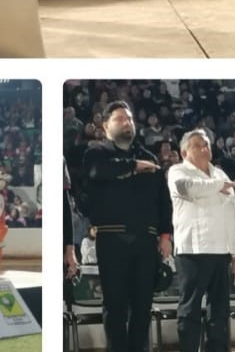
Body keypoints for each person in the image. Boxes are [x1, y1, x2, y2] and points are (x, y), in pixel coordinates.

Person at [81, 101, 173, 352]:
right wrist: (133, 168)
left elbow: (162, 200)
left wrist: (165, 235)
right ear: (105, 125)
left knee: (143, 304)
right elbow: (97, 173)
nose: (127, 122)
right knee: (115, 304)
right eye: (120, 118)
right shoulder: (96, 152)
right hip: (112, 238)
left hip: (146, 239)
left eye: (130, 119)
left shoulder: (149, 156)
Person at [168, 129, 235, 352]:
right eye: (198, 145)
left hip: (222, 251)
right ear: (184, 151)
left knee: (220, 312)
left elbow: (233, 215)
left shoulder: (220, 174)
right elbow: (188, 189)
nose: (204, 148)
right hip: (192, 250)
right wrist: (217, 187)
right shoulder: (177, 171)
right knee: (190, 309)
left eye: (207, 144)